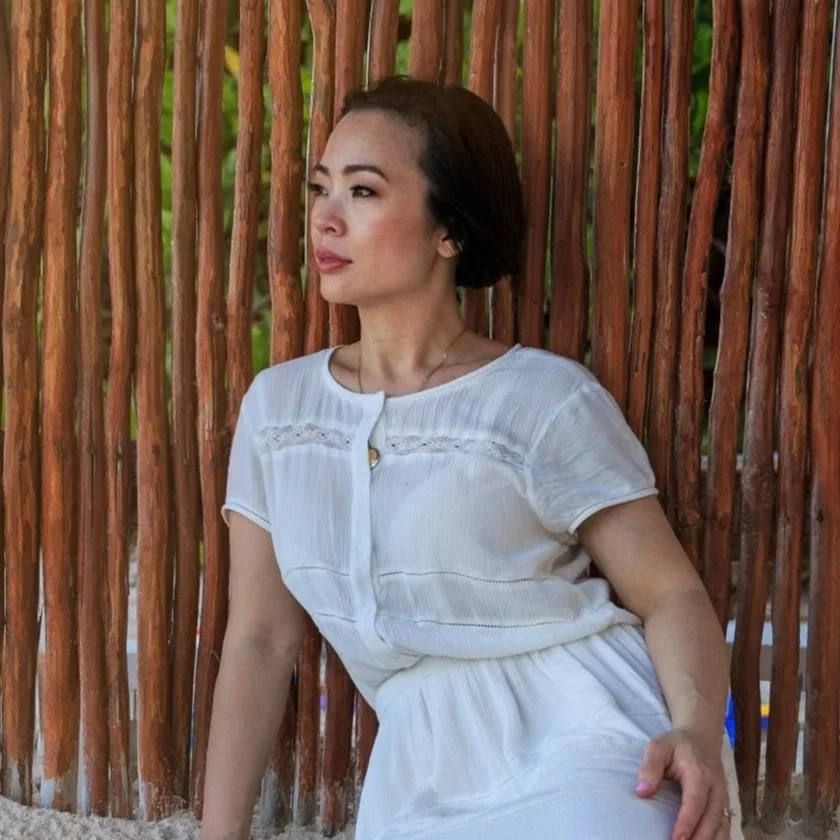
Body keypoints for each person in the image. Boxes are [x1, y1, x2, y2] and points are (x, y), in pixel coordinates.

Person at [200, 76, 742, 840]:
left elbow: (670, 595)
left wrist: (694, 732)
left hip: (588, 735)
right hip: (418, 772)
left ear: (448, 230)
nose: (325, 217)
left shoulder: (544, 399)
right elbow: (260, 637)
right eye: (321, 188)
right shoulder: (279, 411)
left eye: (362, 192)